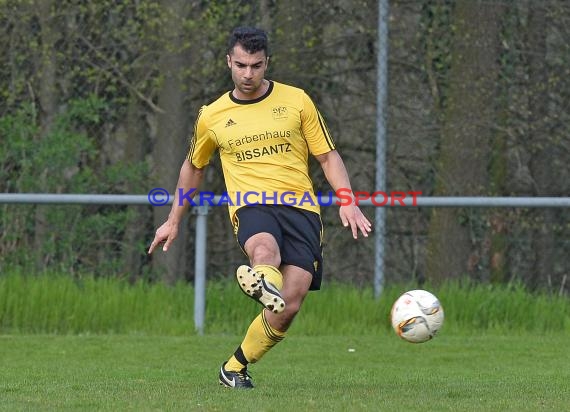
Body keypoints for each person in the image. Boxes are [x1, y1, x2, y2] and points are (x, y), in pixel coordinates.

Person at [148, 26, 372, 389]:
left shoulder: (297, 100)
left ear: (267, 62)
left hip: (302, 209)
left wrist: (348, 202)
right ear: (228, 62)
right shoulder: (213, 115)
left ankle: (234, 367)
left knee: (290, 303)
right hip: (251, 205)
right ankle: (263, 280)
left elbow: (328, 157)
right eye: (240, 65)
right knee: (264, 248)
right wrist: (173, 219)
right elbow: (193, 167)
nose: (248, 74)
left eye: (255, 65)